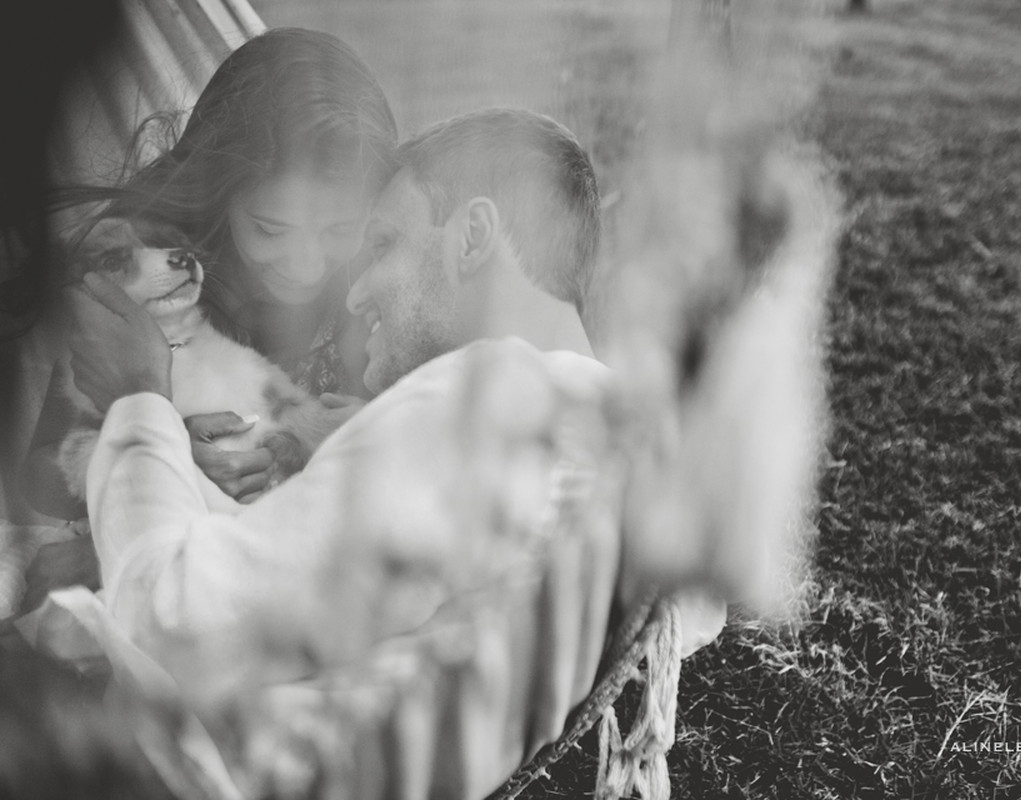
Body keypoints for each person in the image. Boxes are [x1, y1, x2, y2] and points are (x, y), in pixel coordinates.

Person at [53, 107, 723, 797]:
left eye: (383, 246)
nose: (354, 291)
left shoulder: (490, 398)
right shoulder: (627, 457)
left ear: (472, 236)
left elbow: (169, 625)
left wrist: (137, 402)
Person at [15, 27, 398, 613]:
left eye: (339, 231)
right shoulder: (148, 267)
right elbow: (41, 472)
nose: (306, 264)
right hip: (170, 568)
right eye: (270, 229)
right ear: (219, 189)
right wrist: (158, 444)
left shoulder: (367, 280)